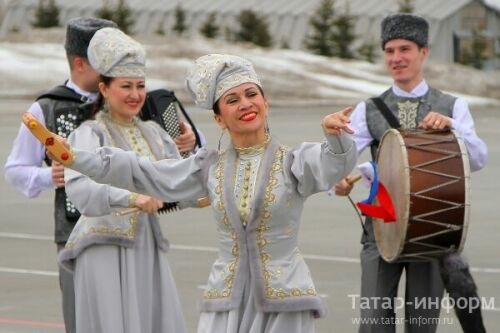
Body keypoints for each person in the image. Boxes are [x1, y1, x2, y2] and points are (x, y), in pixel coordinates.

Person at [42, 53, 358, 333]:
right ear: (219, 118)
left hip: (284, 298)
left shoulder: (293, 161)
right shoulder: (209, 167)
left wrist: (335, 136)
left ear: (266, 103)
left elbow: (333, 163)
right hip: (226, 299)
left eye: (251, 95)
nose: (245, 104)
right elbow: (143, 171)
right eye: (232, 100)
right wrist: (76, 157)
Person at [3, 17, 196, 333]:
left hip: (143, 233)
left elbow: (183, 162)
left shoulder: (143, 104)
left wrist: (189, 142)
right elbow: (16, 169)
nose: (134, 91)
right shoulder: (52, 107)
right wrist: (51, 176)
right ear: (82, 63)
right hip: (79, 230)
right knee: (88, 319)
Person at [334, 13, 488, 333]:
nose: (396, 58)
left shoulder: (452, 106)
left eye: (404, 49)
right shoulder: (370, 107)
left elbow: (477, 159)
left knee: (421, 325)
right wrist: (339, 171)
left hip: (431, 230)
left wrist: (453, 127)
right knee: (374, 324)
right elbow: (342, 157)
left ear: (424, 52)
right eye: (389, 51)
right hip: (380, 227)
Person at [56, 27, 187, 333]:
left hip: (147, 243)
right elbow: (81, 189)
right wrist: (133, 198)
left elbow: (179, 179)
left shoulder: (154, 133)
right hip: (102, 246)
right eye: (125, 86)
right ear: (103, 88)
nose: (135, 95)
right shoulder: (89, 134)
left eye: (140, 86)